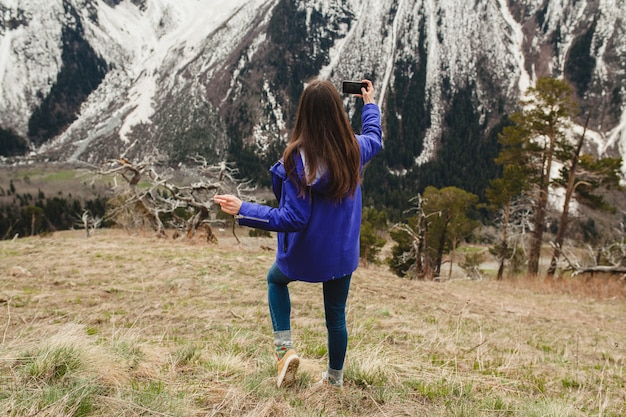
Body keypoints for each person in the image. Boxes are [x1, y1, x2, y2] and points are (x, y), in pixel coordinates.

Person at [214, 78, 383, 389]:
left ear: (303, 114)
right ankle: (334, 380)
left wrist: (243, 209)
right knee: (336, 317)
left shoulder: (298, 160)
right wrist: (369, 105)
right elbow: (375, 136)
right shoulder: (354, 149)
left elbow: (292, 218)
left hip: (306, 254)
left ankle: (284, 351)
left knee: (275, 280)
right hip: (341, 255)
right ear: (337, 113)